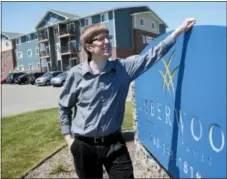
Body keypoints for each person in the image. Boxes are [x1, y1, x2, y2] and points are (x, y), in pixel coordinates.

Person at [58, 17, 196, 179]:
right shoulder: (76, 74)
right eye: (100, 39)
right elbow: (64, 106)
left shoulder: (123, 69)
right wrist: (69, 140)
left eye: (107, 38)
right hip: (84, 146)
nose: (106, 42)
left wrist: (178, 31)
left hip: (114, 143)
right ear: (89, 47)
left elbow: (152, 55)